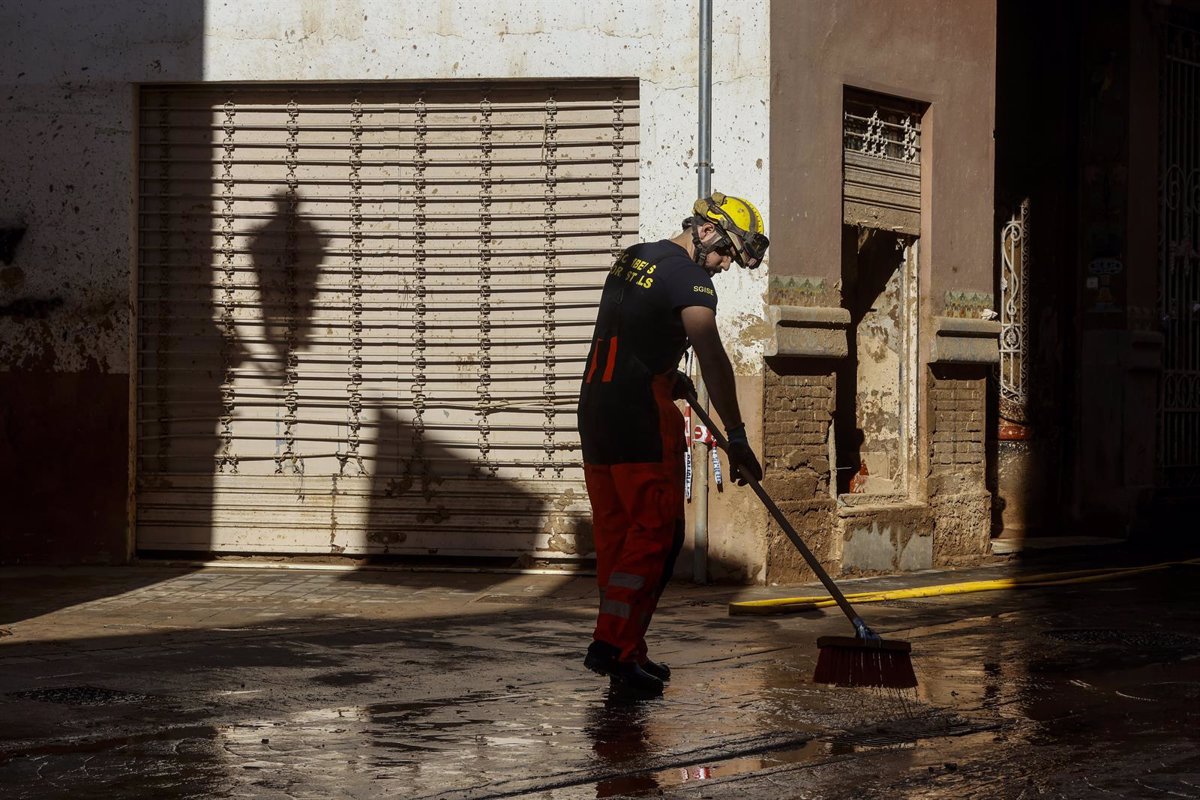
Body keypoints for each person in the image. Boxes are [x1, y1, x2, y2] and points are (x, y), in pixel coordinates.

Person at [577, 192, 769, 697]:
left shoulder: (634, 257)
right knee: (658, 535)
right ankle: (612, 645)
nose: (725, 265)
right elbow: (712, 355)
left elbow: (636, 333)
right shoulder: (692, 278)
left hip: (596, 411)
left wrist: (667, 376)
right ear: (706, 231)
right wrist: (739, 437)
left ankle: (627, 652)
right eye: (726, 252)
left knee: (617, 538)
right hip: (638, 417)